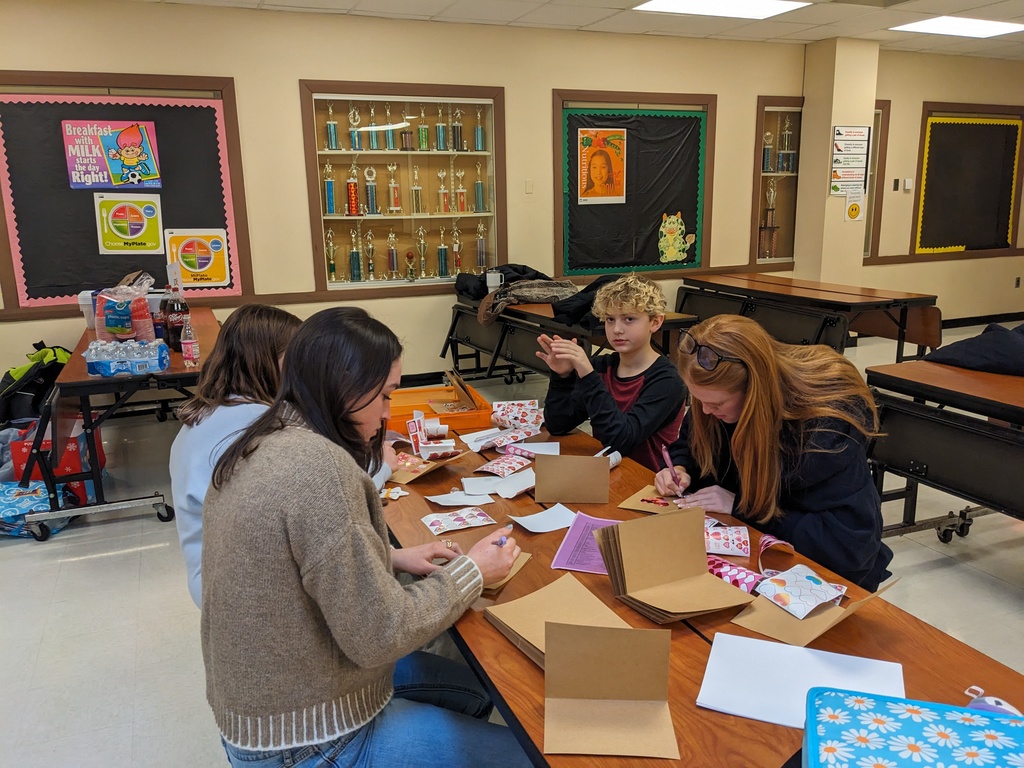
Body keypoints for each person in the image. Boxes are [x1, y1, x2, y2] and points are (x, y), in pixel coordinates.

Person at [202, 307, 529, 768]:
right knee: (525, 755)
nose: (388, 413)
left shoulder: (262, 437)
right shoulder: (320, 467)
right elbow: (380, 634)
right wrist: (473, 571)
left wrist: (390, 556)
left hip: (264, 710)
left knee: (475, 690)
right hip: (304, 737)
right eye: (386, 395)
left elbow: (294, 559)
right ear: (346, 388)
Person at [653, 315, 893, 591]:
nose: (706, 411)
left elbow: (846, 546)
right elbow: (691, 444)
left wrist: (740, 507)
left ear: (754, 393)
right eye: (698, 401)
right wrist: (680, 468)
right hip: (751, 551)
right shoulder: (714, 402)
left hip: (822, 579)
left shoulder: (823, 435)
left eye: (716, 404)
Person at [169, 303, 301, 608]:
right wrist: (382, 468)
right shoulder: (260, 424)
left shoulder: (203, 414)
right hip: (239, 588)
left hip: (209, 576)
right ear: (265, 361)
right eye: (295, 358)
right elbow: (317, 504)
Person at [538, 273, 686, 472]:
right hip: (607, 473)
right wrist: (562, 377)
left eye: (629, 319)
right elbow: (558, 425)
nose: (617, 329)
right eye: (610, 319)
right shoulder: (602, 366)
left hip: (646, 480)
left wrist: (588, 375)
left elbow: (621, 440)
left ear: (655, 322)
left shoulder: (668, 381)